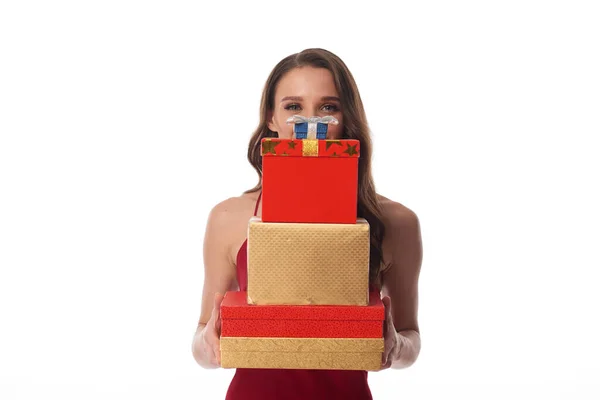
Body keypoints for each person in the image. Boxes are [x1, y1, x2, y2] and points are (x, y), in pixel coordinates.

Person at [191, 48, 423, 399]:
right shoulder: (229, 217)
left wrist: (394, 347)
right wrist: (209, 343)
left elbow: (410, 337)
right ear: (271, 117)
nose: (309, 124)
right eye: (293, 107)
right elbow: (200, 340)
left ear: (347, 117)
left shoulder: (396, 221)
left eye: (328, 107)